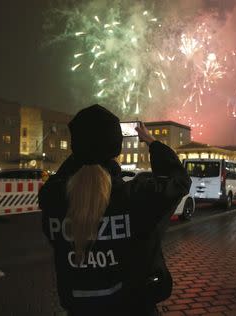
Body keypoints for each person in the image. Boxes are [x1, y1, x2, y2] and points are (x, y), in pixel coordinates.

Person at [39, 105, 191, 316]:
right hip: (134, 307)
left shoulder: (54, 198)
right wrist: (152, 142)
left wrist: (83, 154)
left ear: (76, 146)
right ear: (115, 148)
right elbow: (179, 181)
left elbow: (57, 184)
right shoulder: (136, 197)